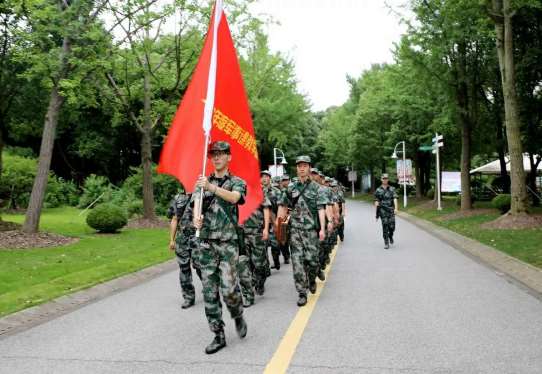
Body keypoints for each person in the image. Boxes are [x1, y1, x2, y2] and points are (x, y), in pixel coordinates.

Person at [193, 141, 247, 354]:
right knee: (209, 292)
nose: (216, 157)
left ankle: (237, 313)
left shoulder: (236, 182)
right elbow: (196, 206)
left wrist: (212, 188)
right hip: (206, 245)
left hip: (227, 244)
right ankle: (218, 334)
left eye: (221, 154)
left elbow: (235, 198)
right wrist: (196, 219)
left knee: (228, 289)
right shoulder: (201, 182)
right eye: (213, 154)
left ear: (229, 157)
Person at [277, 156, 326, 307]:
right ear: (297, 168)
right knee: (297, 263)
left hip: (311, 231)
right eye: (299, 166)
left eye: (305, 165)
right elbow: (283, 206)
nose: (302, 168)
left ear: (309, 168)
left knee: (312, 262)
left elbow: (321, 209)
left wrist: (322, 229)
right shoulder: (291, 188)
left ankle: (312, 279)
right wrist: (279, 224)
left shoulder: (317, 188)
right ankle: (301, 292)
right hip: (295, 231)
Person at [167, 191, 201, 309]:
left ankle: (210, 289)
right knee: (184, 268)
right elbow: (174, 219)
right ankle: (188, 297)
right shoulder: (178, 197)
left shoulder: (202, 194)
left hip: (198, 238)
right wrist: (172, 239)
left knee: (200, 266)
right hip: (182, 239)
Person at [242, 174, 272, 300]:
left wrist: (265, 228)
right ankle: (249, 288)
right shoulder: (237, 190)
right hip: (242, 232)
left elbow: (266, 209)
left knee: (259, 263)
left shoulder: (259, 191)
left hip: (257, 231)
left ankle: (260, 281)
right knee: (245, 263)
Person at [262, 170, 289, 269]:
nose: (264, 179)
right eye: (262, 177)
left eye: (266, 176)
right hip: (262, 223)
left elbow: (281, 207)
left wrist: (277, 222)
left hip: (274, 221)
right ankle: (266, 267)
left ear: (270, 178)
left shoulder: (276, 192)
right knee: (263, 247)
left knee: (275, 245)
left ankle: (276, 260)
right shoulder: (258, 191)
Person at [374, 173, 398, 249]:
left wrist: (396, 208)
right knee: (385, 225)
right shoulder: (378, 190)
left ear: (388, 179)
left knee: (392, 227)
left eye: (386, 178)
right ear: (381, 179)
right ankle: (386, 242)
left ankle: (390, 235)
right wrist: (377, 212)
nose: (385, 180)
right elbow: (376, 200)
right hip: (382, 210)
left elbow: (395, 198)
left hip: (390, 210)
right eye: (383, 178)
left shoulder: (392, 189)